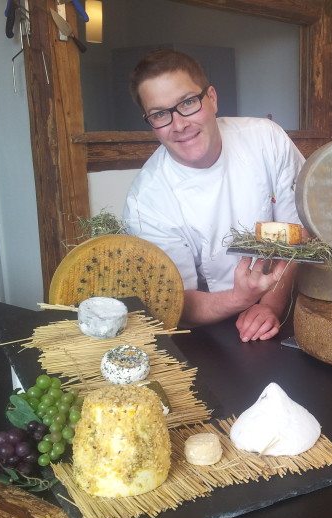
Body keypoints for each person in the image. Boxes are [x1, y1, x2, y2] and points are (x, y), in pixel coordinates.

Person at [123, 49, 305, 342]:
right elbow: (178, 302)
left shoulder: (265, 139)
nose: (179, 124)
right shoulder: (146, 201)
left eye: (188, 103)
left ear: (212, 99)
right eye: (160, 114)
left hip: (285, 298)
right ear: (151, 122)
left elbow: (296, 233)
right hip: (208, 329)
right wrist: (240, 298)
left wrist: (270, 303)